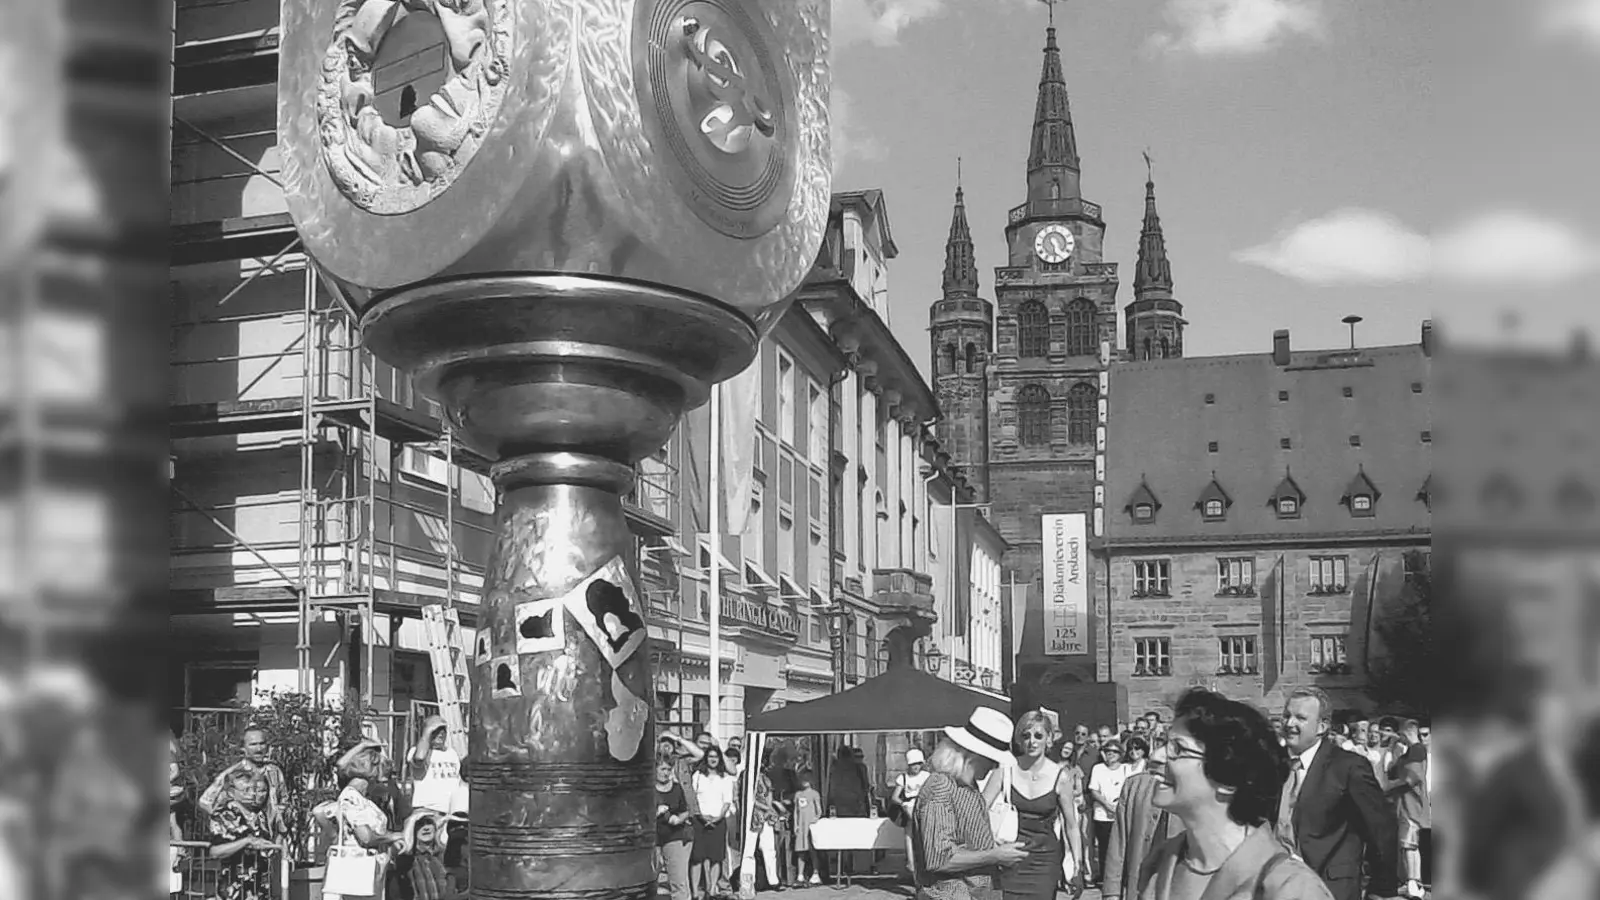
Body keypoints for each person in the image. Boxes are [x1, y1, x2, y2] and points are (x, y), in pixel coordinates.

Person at [1135, 688, 1334, 900]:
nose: (1156, 757)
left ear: (1228, 779)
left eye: (1178, 748)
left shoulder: (1291, 888)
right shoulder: (1160, 865)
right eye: (1163, 743)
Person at [1276, 687, 1398, 900]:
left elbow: (1381, 828)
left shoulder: (1347, 767)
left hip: (1330, 888)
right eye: (1286, 716)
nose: (1289, 724)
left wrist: (1381, 890)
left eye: (1300, 718)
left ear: (1322, 726)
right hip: (1281, 886)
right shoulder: (1275, 766)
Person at [911, 707, 1030, 899]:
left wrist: (991, 847)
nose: (994, 766)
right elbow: (939, 859)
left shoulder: (967, 786)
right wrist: (995, 855)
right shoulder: (941, 787)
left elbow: (964, 841)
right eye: (992, 759)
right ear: (973, 754)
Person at [1003, 711, 1085, 900]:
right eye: (1026, 736)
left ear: (1049, 739)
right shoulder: (1005, 770)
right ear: (1019, 739)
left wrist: (1077, 865)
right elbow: (980, 811)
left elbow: (1071, 825)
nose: (1032, 741)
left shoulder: (1060, 777)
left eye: (1038, 736)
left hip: (1045, 860)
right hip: (1010, 858)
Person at [322, 740, 404, 900]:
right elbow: (365, 836)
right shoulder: (351, 798)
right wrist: (393, 836)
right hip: (356, 871)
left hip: (371, 872)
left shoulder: (364, 797)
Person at [1103, 741, 1184, 900]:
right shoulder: (1135, 785)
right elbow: (1118, 843)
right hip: (1140, 885)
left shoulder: (1205, 790)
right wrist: (1111, 891)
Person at [207, 769, 281, 900]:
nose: (252, 794)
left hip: (259, 887)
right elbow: (215, 851)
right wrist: (247, 841)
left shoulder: (259, 815)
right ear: (231, 792)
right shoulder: (223, 816)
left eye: (253, 789)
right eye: (245, 790)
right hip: (234, 888)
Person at [200, 728, 287, 837]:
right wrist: (228, 823)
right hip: (238, 838)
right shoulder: (232, 773)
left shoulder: (274, 772)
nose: (259, 749)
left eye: (262, 744)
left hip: (267, 836)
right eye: (253, 745)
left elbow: (283, 801)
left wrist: (279, 829)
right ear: (243, 748)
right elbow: (205, 802)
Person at [690, 744, 735, 899]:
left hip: (718, 821)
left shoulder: (726, 778)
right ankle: (695, 892)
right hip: (699, 820)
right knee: (697, 858)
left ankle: (711, 889)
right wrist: (701, 816)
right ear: (706, 758)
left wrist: (718, 817)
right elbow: (693, 798)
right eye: (710, 756)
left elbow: (727, 801)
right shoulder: (697, 776)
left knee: (716, 857)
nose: (713, 760)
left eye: (716, 757)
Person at [1088, 739, 1136, 886]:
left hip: (1121, 814)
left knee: (1122, 847)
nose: (1111, 754)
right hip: (1102, 814)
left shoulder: (1126, 769)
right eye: (1108, 751)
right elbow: (1094, 790)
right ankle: (1105, 877)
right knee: (1104, 848)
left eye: (1115, 751)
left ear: (1120, 754)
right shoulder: (1098, 768)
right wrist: (1107, 805)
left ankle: (1122, 877)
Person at [393, 811, 459, 900]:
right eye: (420, 825)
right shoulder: (406, 859)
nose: (426, 828)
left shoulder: (444, 855)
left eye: (429, 823)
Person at [656, 754, 695, 900]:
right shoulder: (646, 789)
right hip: (652, 838)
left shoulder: (677, 788)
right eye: (662, 769)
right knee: (648, 879)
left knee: (679, 880)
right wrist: (656, 813)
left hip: (674, 836)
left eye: (668, 769)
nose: (665, 772)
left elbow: (685, 810)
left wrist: (678, 819)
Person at [791, 770, 823, 886]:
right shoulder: (798, 795)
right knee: (800, 851)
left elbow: (819, 810)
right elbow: (796, 812)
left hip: (811, 827)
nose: (804, 782)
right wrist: (796, 825)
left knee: (813, 850)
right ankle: (800, 875)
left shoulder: (814, 794)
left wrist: (816, 819)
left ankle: (816, 873)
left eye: (807, 779)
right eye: (802, 779)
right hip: (801, 826)